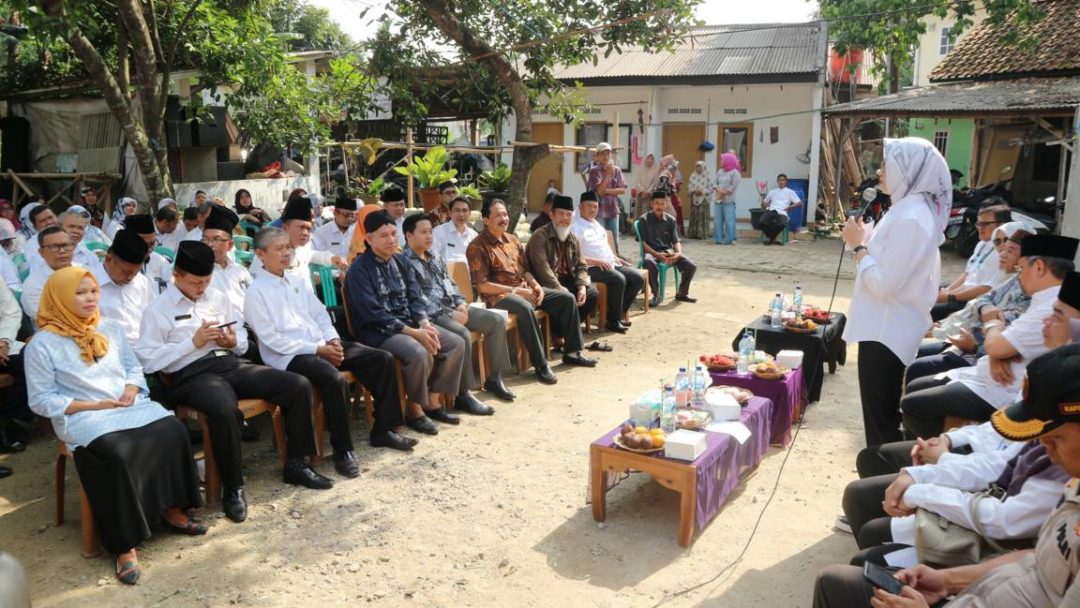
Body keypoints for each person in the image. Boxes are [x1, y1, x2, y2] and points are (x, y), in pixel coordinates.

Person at [812, 343, 1080, 608]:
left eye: (1055, 438)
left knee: (841, 578)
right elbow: (1038, 558)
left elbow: (1006, 520)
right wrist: (948, 581)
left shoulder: (1063, 472)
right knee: (857, 555)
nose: (1046, 447)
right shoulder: (1073, 481)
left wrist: (924, 486)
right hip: (981, 575)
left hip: (986, 543)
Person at [26, 266, 203, 585]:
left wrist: (131, 390)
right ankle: (125, 545)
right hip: (82, 415)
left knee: (173, 430)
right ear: (60, 297)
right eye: (79, 293)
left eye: (93, 291)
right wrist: (95, 405)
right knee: (117, 451)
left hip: (125, 405)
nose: (90, 298)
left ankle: (171, 509)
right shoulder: (42, 344)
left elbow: (133, 369)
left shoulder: (111, 327)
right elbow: (42, 400)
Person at [136, 241, 330, 523]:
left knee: (295, 384)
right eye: (195, 282)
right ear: (176, 275)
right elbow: (150, 362)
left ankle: (296, 463)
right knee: (224, 409)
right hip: (189, 375)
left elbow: (239, 336)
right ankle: (233, 487)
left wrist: (233, 341)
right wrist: (191, 344)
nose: (201, 288)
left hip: (228, 363)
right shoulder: (157, 310)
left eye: (206, 280)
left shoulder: (216, 296)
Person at [246, 228, 415, 467]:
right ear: (260, 254)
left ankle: (383, 429)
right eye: (279, 249)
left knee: (381, 359)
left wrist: (332, 340)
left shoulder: (295, 279)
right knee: (333, 379)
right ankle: (342, 449)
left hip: (321, 344)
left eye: (288, 247)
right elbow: (271, 339)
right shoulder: (255, 292)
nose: (286, 253)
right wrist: (318, 349)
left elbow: (320, 314)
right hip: (290, 355)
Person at [901, 234, 1077, 439]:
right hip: (989, 368)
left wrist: (993, 325)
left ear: (1038, 267)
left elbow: (998, 342)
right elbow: (999, 342)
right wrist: (995, 350)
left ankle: (944, 455)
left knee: (914, 405)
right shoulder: (1045, 298)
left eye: (1022, 269)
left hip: (1005, 389)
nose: (1018, 276)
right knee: (917, 385)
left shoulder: (1051, 305)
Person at [842, 137, 950, 447]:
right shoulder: (905, 209)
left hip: (886, 332)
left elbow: (885, 285)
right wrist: (863, 239)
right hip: (883, 328)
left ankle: (880, 484)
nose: (879, 171)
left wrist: (859, 247)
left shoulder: (912, 218)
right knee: (881, 418)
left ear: (909, 169)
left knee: (882, 425)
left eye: (887, 164)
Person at [345, 210, 470, 436]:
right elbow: (372, 314)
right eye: (384, 236)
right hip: (379, 331)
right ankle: (415, 410)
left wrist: (424, 322)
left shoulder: (401, 262)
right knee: (418, 352)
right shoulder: (359, 270)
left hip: (409, 323)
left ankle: (433, 402)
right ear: (369, 238)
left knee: (455, 342)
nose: (391, 239)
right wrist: (413, 332)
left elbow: (415, 297)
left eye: (393, 233)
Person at [467, 199, 597, 384]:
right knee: (525, 308)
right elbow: (482, 286)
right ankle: (541, 364)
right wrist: (515, 290)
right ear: (486, 220)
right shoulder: (477, 246)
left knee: (567, 298)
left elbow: (525, 270)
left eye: (505, 214)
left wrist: (535, 284)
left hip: (523, 289)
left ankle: (573, 351)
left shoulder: (511, 239)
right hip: (499, 296)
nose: (504, 218)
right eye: (498, 215)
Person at [402, 214, 513, 404]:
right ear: (408, 235)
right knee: (462, 334)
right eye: (423, 232)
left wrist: (461, 303)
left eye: (430, 232)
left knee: (495, 321)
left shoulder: (434, 256)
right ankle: (464, 393)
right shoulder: (404, 262)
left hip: (454, 307)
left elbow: (450, 284)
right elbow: (417, 299)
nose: (429, 236)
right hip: (432, 315)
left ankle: (495, 377)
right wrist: (450, 313)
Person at [908, 224, 1031, 384]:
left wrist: (973, 346)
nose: (1001, 252)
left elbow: (1004, 333)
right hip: (970, 342)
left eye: (1010, 249)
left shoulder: (1033, 297)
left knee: (917, 366)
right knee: (913, 353)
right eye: (999, 244)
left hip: (982, 357)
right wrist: (985, 308)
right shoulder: (1013, 280)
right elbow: (982, 300)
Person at [573, 191, 644, 333]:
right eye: (589, 206)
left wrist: (616, 258)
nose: (593, 209)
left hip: (609, 264)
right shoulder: (575, 228)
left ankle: (616, 314)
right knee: (618, 279)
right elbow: (574, 257)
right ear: (580, 207)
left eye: (595, 206)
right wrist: (596, 261)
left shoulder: (597, 226)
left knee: (637, 278)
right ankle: (613, 321)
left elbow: (605, 248)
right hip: (589, 267)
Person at [526, 194, 599, 324]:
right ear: (552, 215)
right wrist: (558, 287)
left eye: (569, 214)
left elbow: (582, 266)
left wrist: (581, 286)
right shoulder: (540, 236)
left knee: (591, 293)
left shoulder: (573, 238)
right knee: (565, 297)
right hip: (545, 283)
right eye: (561, 214)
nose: (565, 218)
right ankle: (564, 333)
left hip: (567, 280)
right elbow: (542, 268)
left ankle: (561, 332)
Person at [932, 203, 1012, 321]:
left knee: (925, 309)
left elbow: (986, 289)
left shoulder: (1003, 253)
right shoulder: (982, 244)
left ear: (1002, 225)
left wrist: (949, 296)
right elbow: (967, 274)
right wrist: (948, 289)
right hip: (960, 293)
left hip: (973, 301)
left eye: (985, 224)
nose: (980, 228)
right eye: (978, 223)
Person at [251, 196, 347, 290]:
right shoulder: (268, 254)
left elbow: (312, 254)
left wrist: (332, 258)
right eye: (301, 227)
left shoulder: (302, 248)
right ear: (285, 228)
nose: (306, 233)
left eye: (308, 229)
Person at [93, 230, 154, 344]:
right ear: (108, 259)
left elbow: (152, 316)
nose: (130, 277)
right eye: (126, 272)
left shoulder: (141, 282)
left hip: (143, 347)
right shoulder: (87, 284)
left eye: (135, 272)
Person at [638, 190, 698, 306]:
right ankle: (656, 295)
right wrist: (657, 255)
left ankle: (682, 293)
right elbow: (644, 244)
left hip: (668, 252)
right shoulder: (644, 220)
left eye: (662, 204)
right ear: (652, 204)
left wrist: (678, 253)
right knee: (647, 262)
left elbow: (676, 241)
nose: (659, 206)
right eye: (656, 203)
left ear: (666, 204)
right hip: (652, 252)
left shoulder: (671, 220)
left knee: (691, 265)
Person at [199, 206, 251, 314]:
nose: (210, 245)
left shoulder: (240, 271)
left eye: (216, 239)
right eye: (206, 239)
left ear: (230, 245)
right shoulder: (196, 274)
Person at [21, 226, 79, 321]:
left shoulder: (85, 271)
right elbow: (46, 318)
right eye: (54, 247)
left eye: (66, 245)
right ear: (41, 252)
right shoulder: (33, 284)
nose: (62, 251)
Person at [0, 280, 27, 474]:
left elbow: (11, 311)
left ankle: (7, 420)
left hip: (3, 344)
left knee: (36, 362)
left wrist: (3, 341)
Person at [586, 142, 626, 250]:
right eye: (603, 154)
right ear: (597, 156)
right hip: (599, 209)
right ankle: (602, 264)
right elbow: (599, 192)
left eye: (608, 153)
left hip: (613, 208)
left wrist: (606, 190)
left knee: (614, 240)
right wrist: (608, 174)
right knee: (600, 239)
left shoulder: (616, 170)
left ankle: (616, 263)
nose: (606, 156)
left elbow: (622, 190)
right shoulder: (594, 171)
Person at [124, 214, 173, 294]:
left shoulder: (161, 262)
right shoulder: (118, 265)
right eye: (144, 244)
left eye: (153, 243)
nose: (149, 249)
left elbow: (171, 290)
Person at [432, 196, 478, 265]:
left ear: (469, 213)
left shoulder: (474, 235)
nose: (461, 214)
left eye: (464, 210)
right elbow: (433, 256)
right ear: (450, 213)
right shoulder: (439, 232)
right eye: (457, 210)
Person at [760, 174, 801, 245]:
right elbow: (764, 201)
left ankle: (771, 239)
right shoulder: (772, 191)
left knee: (782, 223)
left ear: (786, 182)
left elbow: (799, 203)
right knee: (761, 222)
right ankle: (772, 239)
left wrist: (790, 207)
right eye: (780, 180)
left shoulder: (790, 192)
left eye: (783, 180)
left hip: (782, 212)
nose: (781, 182)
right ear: (777, 181)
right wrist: (767, 206)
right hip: (771, 210)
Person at [714, 152, 742, 245]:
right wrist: (719, 191)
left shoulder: (735, 173)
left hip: (729, 200)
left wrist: (723, 193)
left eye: (722, 159)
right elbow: (715, 183)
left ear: (728, 161)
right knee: (718, 220)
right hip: (718, 199)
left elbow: (733, 187)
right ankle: (718, 239)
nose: (721, 161)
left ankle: (730, 239)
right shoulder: (720, 171)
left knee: (729, 220)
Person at [657, 155, 684, 235]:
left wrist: (677, 197)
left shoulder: (669, 174)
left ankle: (667, 235)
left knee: (669, 216)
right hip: (663, 198)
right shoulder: (664, 174)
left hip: (666, 198)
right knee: (671, 215)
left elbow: (672, 187)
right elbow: (662, 188)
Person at [686, 160, 712, 240]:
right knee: (694, 216)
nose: (698, 168)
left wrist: (702, 191)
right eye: (697, 166)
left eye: (699, 166)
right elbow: (689, 186)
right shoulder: (693, 175)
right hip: (695, 198)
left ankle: (702, 234)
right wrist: (694, 191)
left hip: (703, 199)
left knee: (702, 216)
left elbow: (710, 188)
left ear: (703, 167)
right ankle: (693, 234)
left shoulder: (707, 176)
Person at [633, 153, 661, 219]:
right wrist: (642, 191)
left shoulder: (656, 170)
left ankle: (647, 228)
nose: (650, 160)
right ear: (645, 159)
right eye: (648, 158)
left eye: (652, 159)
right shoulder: (640, 169)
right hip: (640, 195)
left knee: (647, 214)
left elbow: (655, 183)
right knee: (638, 213)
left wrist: (648, 192)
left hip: (649, 196)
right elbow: (637, 181)